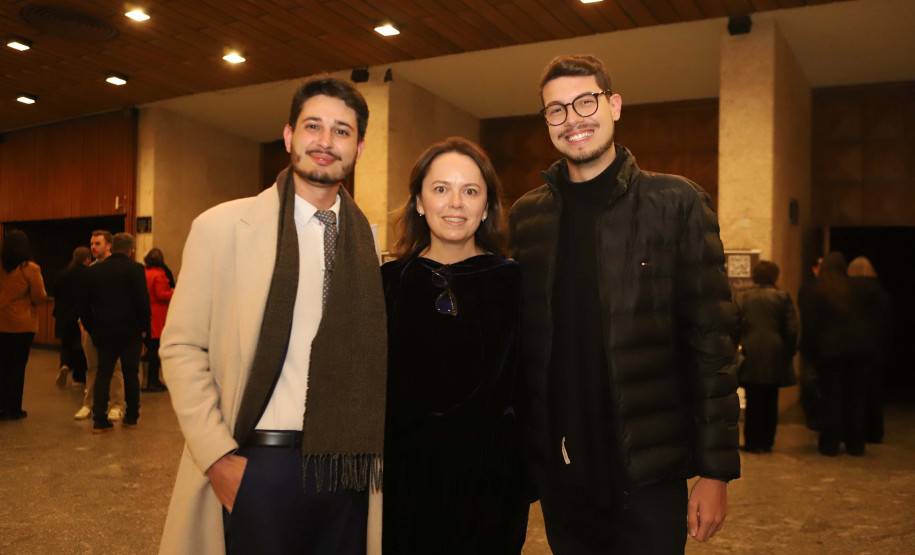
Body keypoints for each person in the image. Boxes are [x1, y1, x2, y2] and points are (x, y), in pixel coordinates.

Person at [509, 54, 740, 553]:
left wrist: (714, 472)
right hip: (563, 474)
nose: (573, 119)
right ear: (546, 122)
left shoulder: (677, 203)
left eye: (585, 102)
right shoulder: (527, 218)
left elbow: (711, 342)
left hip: (649, 471)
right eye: (557, 110)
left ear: (613, 105)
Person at [159, 76, 386, 555]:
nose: (326, 142)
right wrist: (218, 458)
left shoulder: (367, 243)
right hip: (258, 463)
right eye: (314, 126)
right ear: (289, 137)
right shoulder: (222, 228)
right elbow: (181, 347)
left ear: (359, 148)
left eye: (342, 131)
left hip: (347, 471)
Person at [381, 138, 528, 554]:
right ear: (420, 202)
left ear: (486, 207)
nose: (455, 204)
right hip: (404, 483)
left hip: (492, 487)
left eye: (470, 191)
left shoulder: (515, 282)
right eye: (441, 189)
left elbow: (530, 384)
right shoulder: (388, 283)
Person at [800, 252, 875, 456]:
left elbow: (811, 325)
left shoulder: (814, 290)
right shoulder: (858, 288)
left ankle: (830, 443)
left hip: (829, 353)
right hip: (859, 352)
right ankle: (855, 443)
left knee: (831, 398)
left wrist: (809, 353)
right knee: (856, 398)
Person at [79, 232, 150, 433]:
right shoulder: (135, 269)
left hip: (103, 332)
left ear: (112, 246)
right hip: (131, 332)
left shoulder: (95, 271)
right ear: (130, 250)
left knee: (103, 373)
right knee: (130, 374)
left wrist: (92, 328)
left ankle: (100, 420)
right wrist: (145, 329)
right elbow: (142, 302)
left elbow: (84, 305)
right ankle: (131, 417)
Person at [736, 260, 798, 454]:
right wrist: (788, 350)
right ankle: (767, 441)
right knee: (771, 399)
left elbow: (735, 324)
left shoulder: (743, 297)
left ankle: (752, 442)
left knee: (753, 399)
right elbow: (791, 328)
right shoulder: (782, 297)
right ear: (775, 276)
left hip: (750, 352)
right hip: (775, 353)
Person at [74, 230, 127, 422]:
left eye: (97, 243)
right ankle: (90, 404)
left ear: (109, 245)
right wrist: (82, 325)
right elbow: (84, 301)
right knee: (92, 367)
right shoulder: (90, 270)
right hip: (92, 327)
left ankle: (117, 405)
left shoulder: (120, 268)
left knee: (114, 368)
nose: (93, 247)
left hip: (114, 327)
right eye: (92, 244)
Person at [0, 229, 48, 420]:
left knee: (1, 366)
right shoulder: (30, 268)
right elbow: (39, 296)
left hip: (1, 324)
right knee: (17, 367)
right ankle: (13, 408)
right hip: (22, 325)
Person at [846, 256, 891, 444]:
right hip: (874, 348)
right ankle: (874, 431)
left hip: (851, 348)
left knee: (852, 394)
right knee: (873, 392)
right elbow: (888, 324)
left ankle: (853, 432)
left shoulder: (846, 293)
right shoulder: (880, 293)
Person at [53, 246, 91, 387]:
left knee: (65, 344)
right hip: (81, 315)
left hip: (63, 315)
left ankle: (65, 364)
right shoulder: (90, 274)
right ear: (87, 259)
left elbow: (55, 293)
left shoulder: (63, 274)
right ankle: (78, 378)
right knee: (81, 346)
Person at [797, 256, 823, 431]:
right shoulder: (810, 290)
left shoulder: (808, 290)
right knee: (812, 384)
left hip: (816, 345)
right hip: (816, 346)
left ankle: (816, 418)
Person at [143, 248, 174, 392]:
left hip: (145, 313)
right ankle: (153, 381)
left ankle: (147, 380)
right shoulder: (160, 275)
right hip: (157, 316)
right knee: (155, 350)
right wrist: (175, 291)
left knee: (149, 349)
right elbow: (161, 295)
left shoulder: (144, 273)